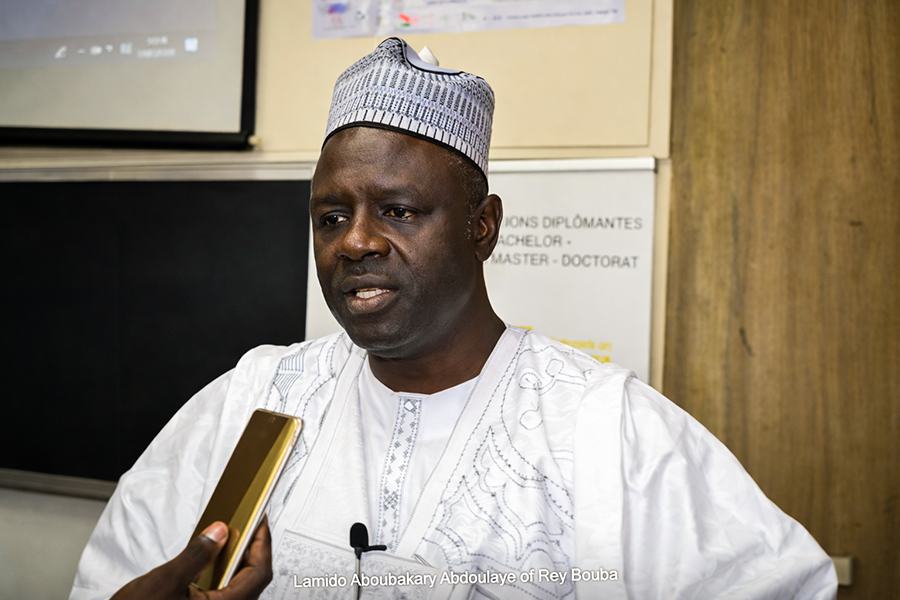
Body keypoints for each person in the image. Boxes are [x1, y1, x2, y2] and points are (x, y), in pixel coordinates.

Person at [71, 38, 837, 600]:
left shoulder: (607, 430)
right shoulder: (255, 401)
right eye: (331, 217)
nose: (355, 242)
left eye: (398, 210)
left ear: (483, 226)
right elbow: (119, 576)